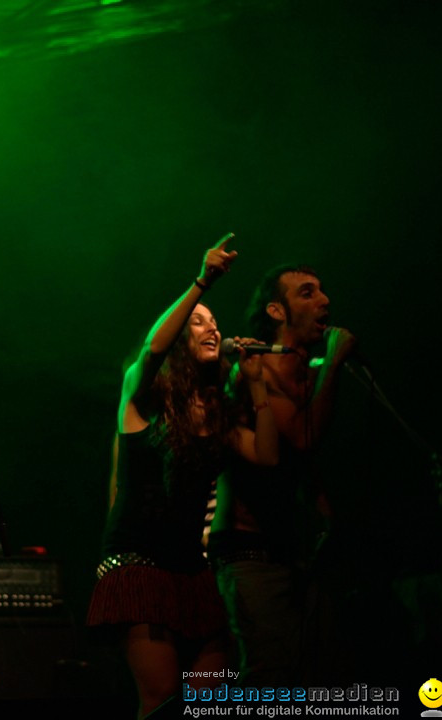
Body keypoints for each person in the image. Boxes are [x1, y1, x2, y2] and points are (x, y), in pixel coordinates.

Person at [86, 235, 278, 718]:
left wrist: (257, 388)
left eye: (215, 322)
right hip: (139, 565)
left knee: (209, 702)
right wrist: (202, 284)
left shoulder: (215, 409)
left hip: (192, 571)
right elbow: (154, 347)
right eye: (198, 323)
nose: (212, 329)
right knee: (162, 698)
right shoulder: (142, 393)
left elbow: (268, 455)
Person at [208, 263, 356, 689]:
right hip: (250, 553)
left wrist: (323, 508)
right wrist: (334, 367)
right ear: (276, 310)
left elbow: (301, 462)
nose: (324, 301)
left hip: (294, 551)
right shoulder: (259, 370)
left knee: (317, 675)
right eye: (307, 293)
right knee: (270, 676)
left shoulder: (305, 370)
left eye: (322, 291)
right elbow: (303, 438)